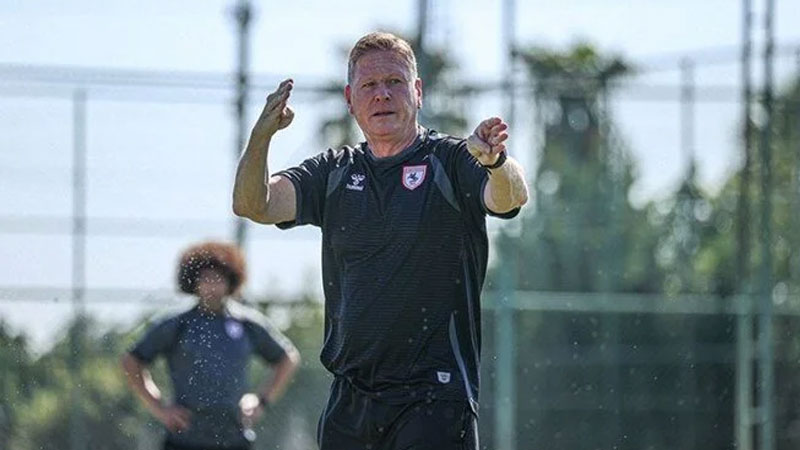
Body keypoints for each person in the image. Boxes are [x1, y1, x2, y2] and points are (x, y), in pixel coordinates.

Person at [233, 31, 528, 450]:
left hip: (434, 396)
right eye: (369, 85)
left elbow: (510, 197)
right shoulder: (334, 171)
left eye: (394, 82)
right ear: (350, 99)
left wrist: (496, 163)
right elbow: (253, 204)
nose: (382, 94)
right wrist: (261, 136)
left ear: (417, 91)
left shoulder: (451, 160)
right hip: (350, 401)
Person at [121, 241, 300, 450]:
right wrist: (160, 408)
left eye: (218, 278)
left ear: (231, 281)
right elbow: (131, 361)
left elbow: (287, 358)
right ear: (193, 281)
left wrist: (261, 401)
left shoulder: (247, 323)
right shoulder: (178, 325)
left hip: (235, 440)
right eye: (205, 278)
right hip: (184, 440)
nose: (211, 285)